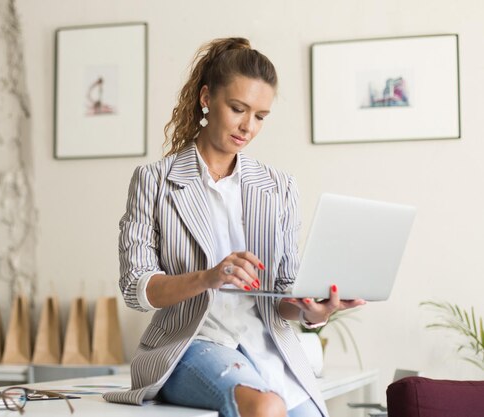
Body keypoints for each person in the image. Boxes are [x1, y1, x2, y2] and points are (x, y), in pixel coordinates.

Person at [103, 37, 365, 417]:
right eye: (238, 109)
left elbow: (284, 295)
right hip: (190, 345)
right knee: (266, 407)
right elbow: (136, 288)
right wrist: (210, 277)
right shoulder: (154, 181)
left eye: (260, 116)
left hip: (266, 345)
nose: (248, 127)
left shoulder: (278, 187)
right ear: (207, 98)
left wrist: (314, 312)